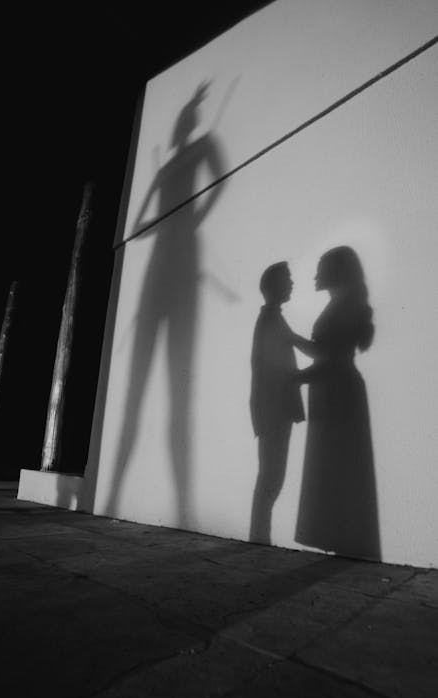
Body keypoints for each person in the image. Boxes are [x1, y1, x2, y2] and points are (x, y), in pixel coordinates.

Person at [106, 83, 226, 527]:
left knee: (179, 386)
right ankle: (116, 491)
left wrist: (191, 217)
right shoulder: (165, 167)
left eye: (186, 118)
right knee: (138, 386)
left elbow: (220, 182)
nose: (183, 125)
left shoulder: (202, 147)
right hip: (159, 270)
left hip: (183, 262)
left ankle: (182, 506)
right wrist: (169, 218)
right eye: (182, 119)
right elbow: (137, 225)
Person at [294, 246, 380, 559]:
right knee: (336, 466)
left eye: (321, 268)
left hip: (338, 394)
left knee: (337, 465)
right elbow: (326, 355)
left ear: (335, 271)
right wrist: (291, 340)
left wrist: (293, 378)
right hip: (335, 393)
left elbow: (331, 360)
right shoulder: (341, 304)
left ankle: (343, 542)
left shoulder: (343, 306)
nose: (316, 275)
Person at [249, 262, 305, 544]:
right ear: (275, 286)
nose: (292, 284)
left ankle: (260, 537)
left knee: (271, 476)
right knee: (272, 476)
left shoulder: (273, 319)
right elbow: (272, 370)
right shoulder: (272, 320)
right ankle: (259, 539)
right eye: (288, 279)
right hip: (274, 411)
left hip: (272, 410)